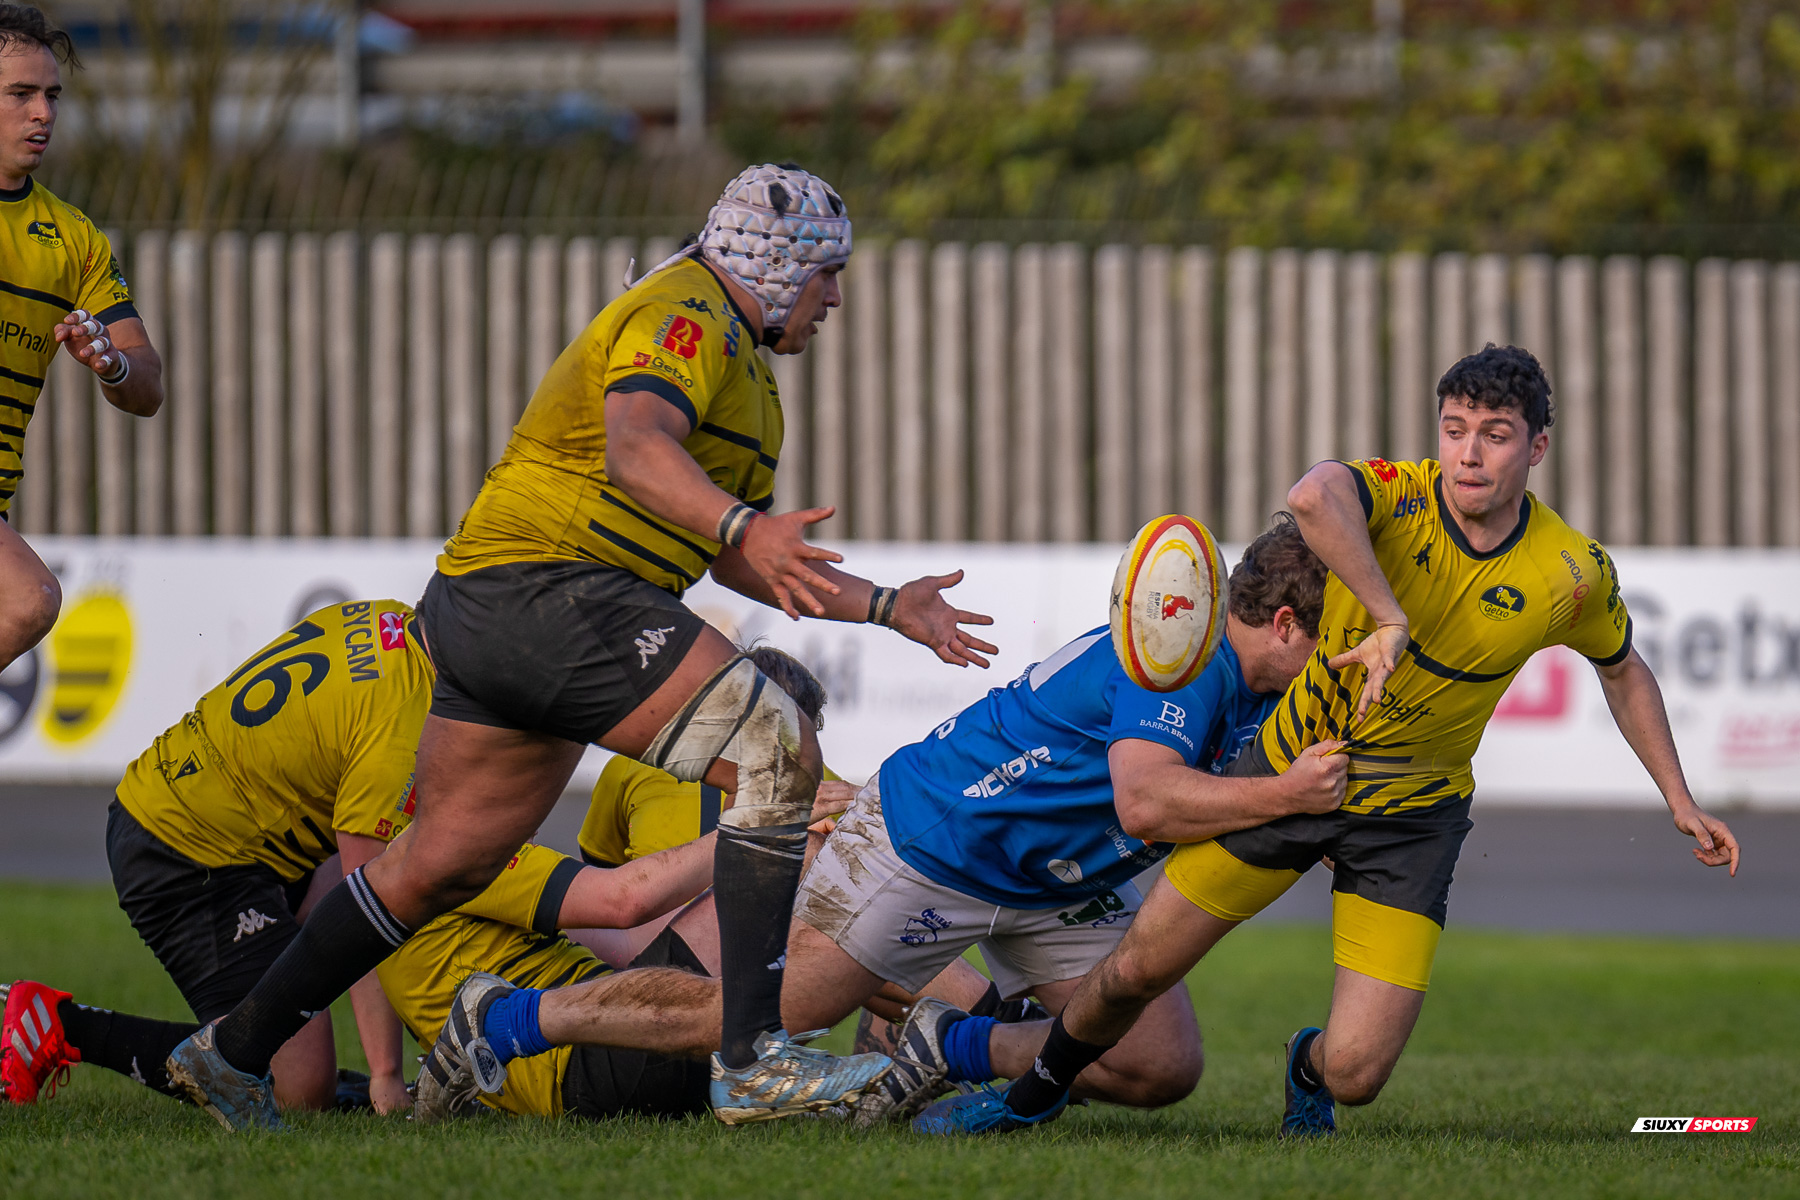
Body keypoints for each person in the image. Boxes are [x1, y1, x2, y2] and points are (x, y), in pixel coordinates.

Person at [165, 163, 999, 1131]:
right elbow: (638, 446)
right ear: (775, 266)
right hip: (553, 587)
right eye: (827, 274)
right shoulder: (685, 310)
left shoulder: (745, 374)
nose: (836, 298)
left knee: (431, 865)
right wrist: (742, 525)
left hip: (482, 605)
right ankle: (750, 1061)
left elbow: (738, 556)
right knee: (778, 748)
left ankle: (232, 1051)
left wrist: (888, 606)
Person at [919, 344, 1742, 1137]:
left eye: (1495, 435)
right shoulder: (1396, 497)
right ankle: (1028, 1096)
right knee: (1136, 969)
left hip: (1412, 817)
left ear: (1537, 448)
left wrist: (1679, 800)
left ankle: (1307, 1069)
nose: (1468, 454)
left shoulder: (1571, 572)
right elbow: (1312, 496)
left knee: (1357, 1073)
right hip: (1292, 770)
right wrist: (1388, 616)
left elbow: (1623, 671)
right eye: (1454, 429)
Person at [779, 517, 1341, 1125]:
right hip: (943, 838)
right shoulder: (1182, 655)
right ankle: (784, 888)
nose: (1342, 658)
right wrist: (1288, 796)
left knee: (1158, 1064)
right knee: (751, 1029)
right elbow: (1146, 804)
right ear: (1286, 624)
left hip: (1057, 881)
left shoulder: (1273, 689)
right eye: (1335, 637)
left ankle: (947, 1044)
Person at [1, 600, 429, 1112]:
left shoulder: (383, 617)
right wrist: (386, 1075)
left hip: (220, 814)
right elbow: (365, 900)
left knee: (404, 876)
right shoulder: (403, 715)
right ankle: (60, 1026)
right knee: (298, 1088)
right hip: (188, 851)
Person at [0, 5, 163, 671]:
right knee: (26, 600)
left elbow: (148, 385)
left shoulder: (73, 239)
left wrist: (112, 364)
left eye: (51, 95)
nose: (43, 112)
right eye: (20, 94)